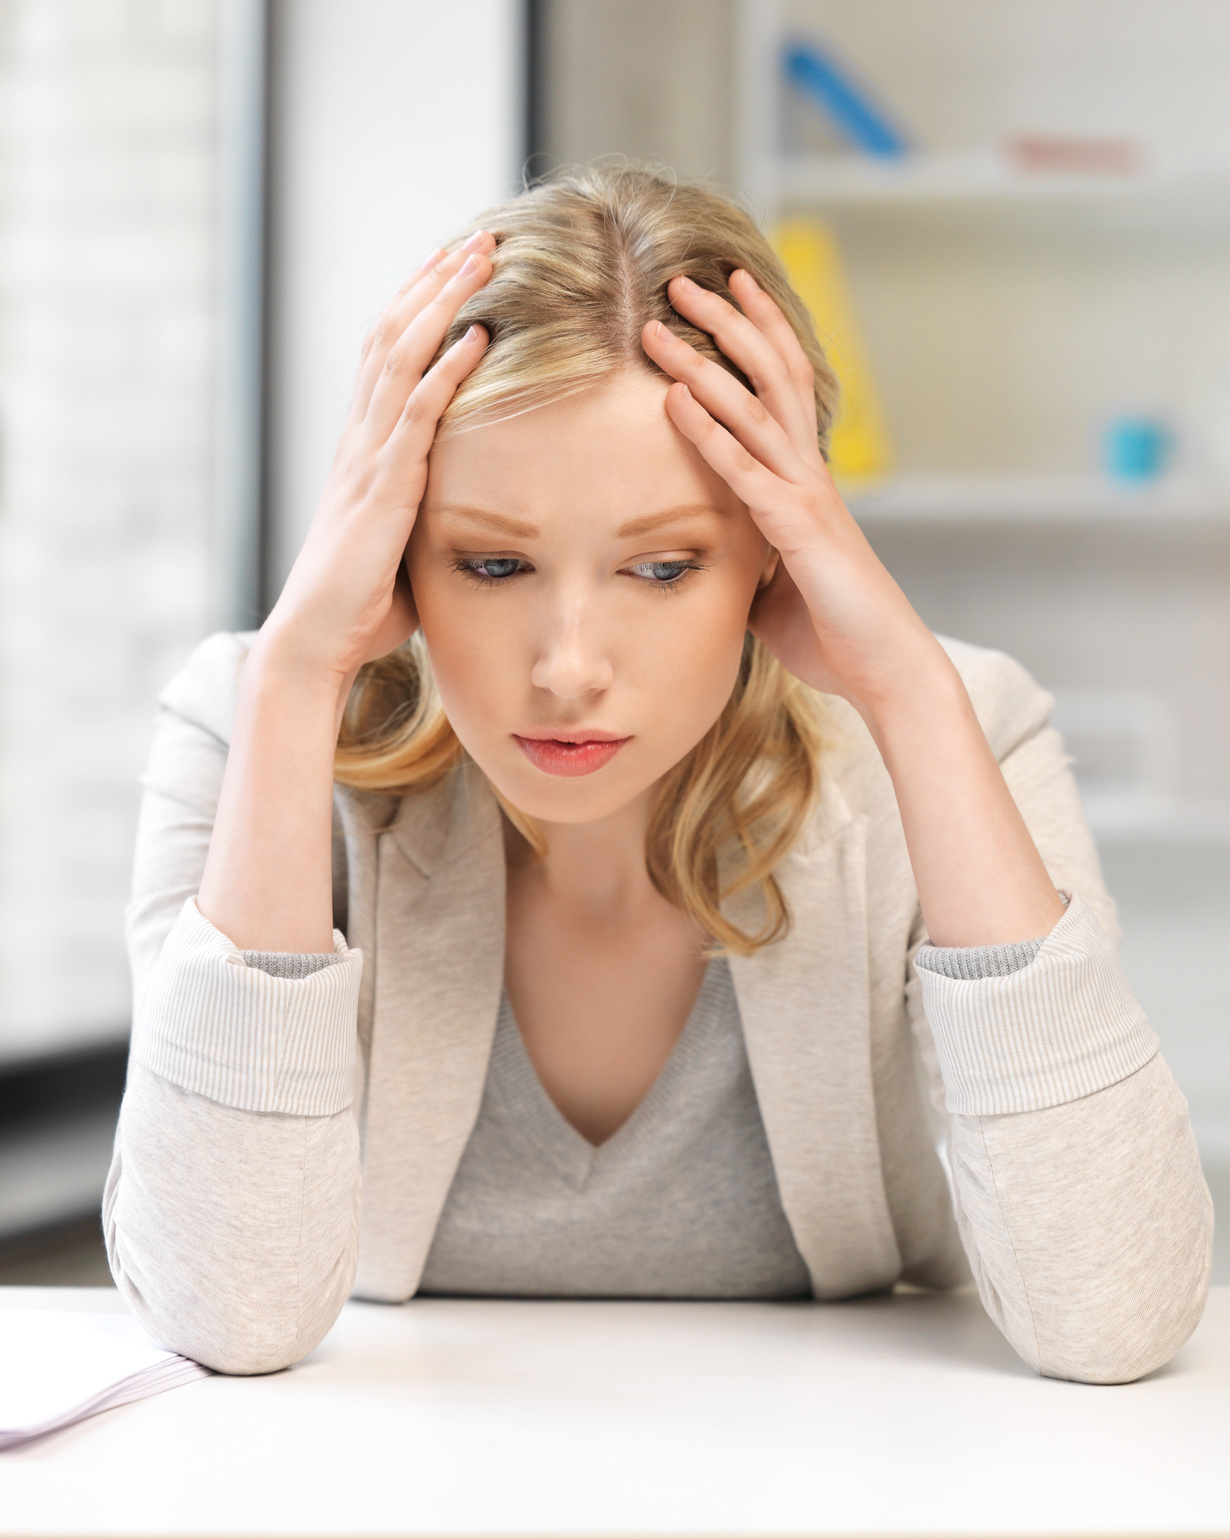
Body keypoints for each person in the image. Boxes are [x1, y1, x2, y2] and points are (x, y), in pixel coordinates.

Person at [104, 165, 1211, 1384]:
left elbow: (1115, 1318)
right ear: (395, 548)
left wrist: (909, 690)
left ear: (775, 557)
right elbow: (226, 1310)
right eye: (487, 565)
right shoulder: (251, 724)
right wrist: (297, 674)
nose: (569, 670)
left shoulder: (963, 730)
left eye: (666, 567)